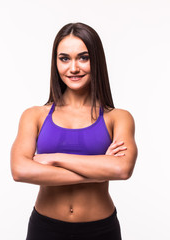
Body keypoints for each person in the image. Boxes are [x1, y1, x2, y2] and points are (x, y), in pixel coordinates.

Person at [10, 22, 137, 240]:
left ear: (96, 60)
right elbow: (20, 170)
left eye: (83, 57)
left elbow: (121, 170)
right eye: (65, 58)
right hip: (46, 229)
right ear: (56, 62)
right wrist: (97, 170)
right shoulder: (35, 115)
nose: (74, 68)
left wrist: (54, 158)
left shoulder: (117, 117)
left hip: (100, 230)